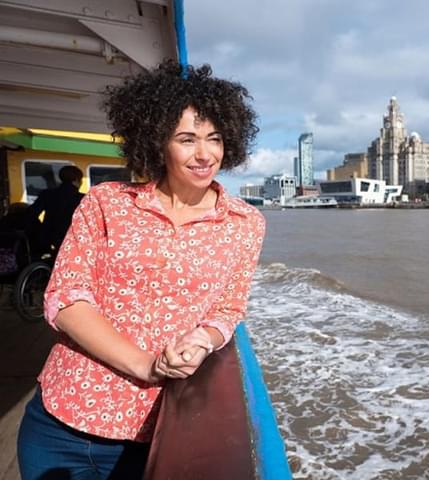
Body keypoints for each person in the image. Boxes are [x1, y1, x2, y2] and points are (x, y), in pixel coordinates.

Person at [16, 60, 264, 479]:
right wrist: (146, 365)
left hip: (156, 436)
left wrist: (203, 339)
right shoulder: (106, 202)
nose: (205, 154)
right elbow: (65, 298)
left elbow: (229, 307)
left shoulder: (245, 223)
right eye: (186, 139)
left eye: (215, 138)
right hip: (61, 422)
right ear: (157, 143)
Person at [28, 165, 85, 257]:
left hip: (48, 237)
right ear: (76, 179)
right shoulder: (82, 198)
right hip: (73, 237)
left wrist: (40, 228)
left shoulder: (47, 194)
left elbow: (32, 213)